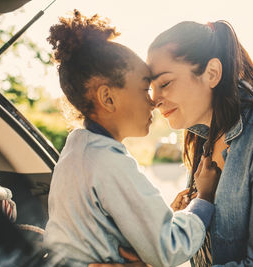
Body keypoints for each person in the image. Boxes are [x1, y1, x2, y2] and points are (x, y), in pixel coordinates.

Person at [94, 20, 253, 266]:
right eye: (150, 88)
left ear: (212, 73)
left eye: (165, 83)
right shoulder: (203, 139)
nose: (154, 100)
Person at [43, 11, 221, 267]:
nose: (153, 102)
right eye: (144, 89)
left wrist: (164, 217)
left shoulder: (78, 150)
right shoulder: (108, 163)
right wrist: (203, 199)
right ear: (108, 98)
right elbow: (169, 249)